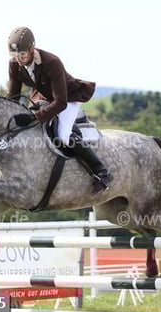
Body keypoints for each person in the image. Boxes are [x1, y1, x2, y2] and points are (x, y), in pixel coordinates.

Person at [6, 26, 111, 193]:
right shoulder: (14, 64)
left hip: (68, 98)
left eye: (22, 54)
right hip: (42, 96)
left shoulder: (51, 62)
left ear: (32, 49)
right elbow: (13, 97)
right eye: (14, 54)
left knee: (62, 135)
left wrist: (34, 117)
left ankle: (101, 171)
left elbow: (60, 102)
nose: (18, 58)